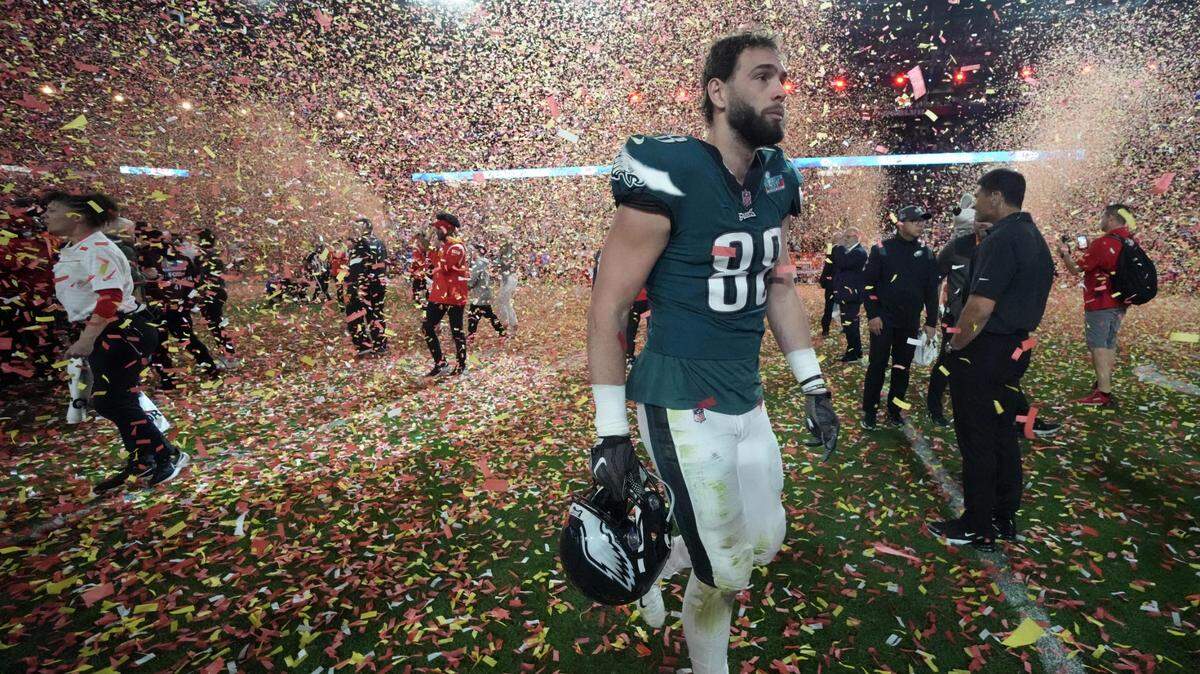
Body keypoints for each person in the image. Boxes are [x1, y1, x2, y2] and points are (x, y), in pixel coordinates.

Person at [584, 33, 839, 674]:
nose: (780, 90)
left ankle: (659, 564)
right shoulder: (669, 171)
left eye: (781, 77)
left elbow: (779, 286)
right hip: (680, 399)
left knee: (765, 540)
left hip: (745, 393)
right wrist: (610, 433)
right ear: (718, 93)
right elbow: (609, 307)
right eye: (762, 76)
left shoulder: (777, 176)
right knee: (725, 571)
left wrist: (813, 384)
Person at [928, 168, 1053, 551]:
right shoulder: (1033, 236)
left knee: (978, 439)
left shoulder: (1003, 238)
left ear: (997, 196)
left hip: (986, 350)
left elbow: (980, 307)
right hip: (1015, 348)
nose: (976, 201)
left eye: (980, 193)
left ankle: (977, 525)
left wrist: (956, 347)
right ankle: (1003, 516)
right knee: (1003, 435)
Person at [42, 191, 187, 491]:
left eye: (53, 209)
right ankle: (143, 459)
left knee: (113, 400)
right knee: (115, 400)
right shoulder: (75, 247)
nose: (46, 215)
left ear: (77, 216)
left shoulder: (97, 249)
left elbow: (110, 297)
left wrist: (86, 339)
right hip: (108, 330)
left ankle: (167, 455)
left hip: (121, 330)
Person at [929, 196, 1061, 437]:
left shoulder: (1000, 244)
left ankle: (1024, 422)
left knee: (1003, 376)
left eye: (986, 221)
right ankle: (935, 408)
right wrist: (937, 311)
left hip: (990, 326)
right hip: (958, 320)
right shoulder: (957, 247)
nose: (982, 224)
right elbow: (934, 279)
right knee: (947, 364)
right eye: (977, 221)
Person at [860, 206, 939, 429]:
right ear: (901, 223)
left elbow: (931, 291)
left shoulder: (927, 253)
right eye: (915, 221)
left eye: (922, 221)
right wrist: (873, 315)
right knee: (877, 365)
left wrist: (931, 321)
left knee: (903, 368)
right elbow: (868, 285)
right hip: (883, 321)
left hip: (910, 323)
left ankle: (895, 411)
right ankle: (870, 411)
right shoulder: (881, 250)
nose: (921, 224)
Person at [1055, 205, 1137, 407]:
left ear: (1111, 218)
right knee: (1109, 342)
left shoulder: (1103, 243)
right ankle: (1103, 383)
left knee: (1098, 345)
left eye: (1102, 216)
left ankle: (1103, 393)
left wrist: (1064, 254)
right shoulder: (1130, 241)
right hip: (1120, 301)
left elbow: (1076, 269)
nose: (1100, 220)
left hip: (1100, 302)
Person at [138, 226, 221, 384]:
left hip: (165, 309)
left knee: (167, 344)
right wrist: (189, 302)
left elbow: (194, 283)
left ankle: (172, 380)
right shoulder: (161, 258)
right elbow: (196, 284)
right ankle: (207, 371)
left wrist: (188, 302)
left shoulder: (150, 258)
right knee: (171, 343)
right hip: (166, 309)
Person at [423, 213, 469, 376]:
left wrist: (435, 248)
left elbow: (444, 267)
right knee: (427, 327)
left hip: (454, 296)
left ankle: (461, 365)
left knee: (456, 331)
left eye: (438, 229)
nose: (436, 233)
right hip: (439, 295)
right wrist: (429, 243)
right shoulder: (443, 247)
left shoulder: (457, 247)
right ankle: (440, 363)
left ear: (446, 229)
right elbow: (431, 261)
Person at [345, 218, 389, 355]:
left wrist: (349, 284)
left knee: (354, 314)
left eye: (355, 228)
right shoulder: (380, 243)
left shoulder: (359, 244)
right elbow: (384, 263)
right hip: (379, 283)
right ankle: (380, 345)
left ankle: (363, 345)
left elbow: (355, 268)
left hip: (363, 285)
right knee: (376, 313)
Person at [195, 228, 236, 364]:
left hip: (210, 295)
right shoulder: (215, 257)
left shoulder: (199, 258)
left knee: (217, 325)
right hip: (215, 294)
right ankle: (227, 352)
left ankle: (229, 355)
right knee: (216, 324)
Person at [831, 227, 868, 362]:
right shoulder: (851, 251)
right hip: (845, 294)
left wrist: (839, 246)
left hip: (852, 296)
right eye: (844, 237)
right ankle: (855, 351)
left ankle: (853, 352)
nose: (845, 239)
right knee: (849, 325)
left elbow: (842, 262)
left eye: (848, 237)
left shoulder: (860, 252)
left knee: (851, 325)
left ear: (856, 237)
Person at [467, 243, 507, 340]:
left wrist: (466, 286)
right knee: (487, 313)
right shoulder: (484, 263)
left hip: (480, 294)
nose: (471, 253)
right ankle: (501, 332)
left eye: (472, 251)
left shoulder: (478, 264)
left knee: (474, 313)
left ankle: (471, 335)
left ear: (477, 252)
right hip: (484, 292)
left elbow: (472, 280)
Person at [817, 230, 843, 337]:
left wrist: (823, 280)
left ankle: (825, 330)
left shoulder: (830, 249)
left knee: (828, 307)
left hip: (831, 283)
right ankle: (844, 327)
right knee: (843, 306)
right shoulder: (843, 249)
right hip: (841, 283)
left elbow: (827, 267)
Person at [494, 241, 519, 331]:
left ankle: (507, 322)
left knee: (503, 300)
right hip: (508, 278)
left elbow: (504, 265)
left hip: (508, 278)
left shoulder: (508, 253)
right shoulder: (508, 252)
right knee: (505, 301)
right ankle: (512, 322)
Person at [409, 232, 432, 307]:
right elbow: (417, 261)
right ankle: (418, 300)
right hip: (418, 271)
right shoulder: (416, 249)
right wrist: (425, 266)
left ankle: (423, 299)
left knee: (423, 285)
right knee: (418, 284)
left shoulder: (424, 247)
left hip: (423, 271)